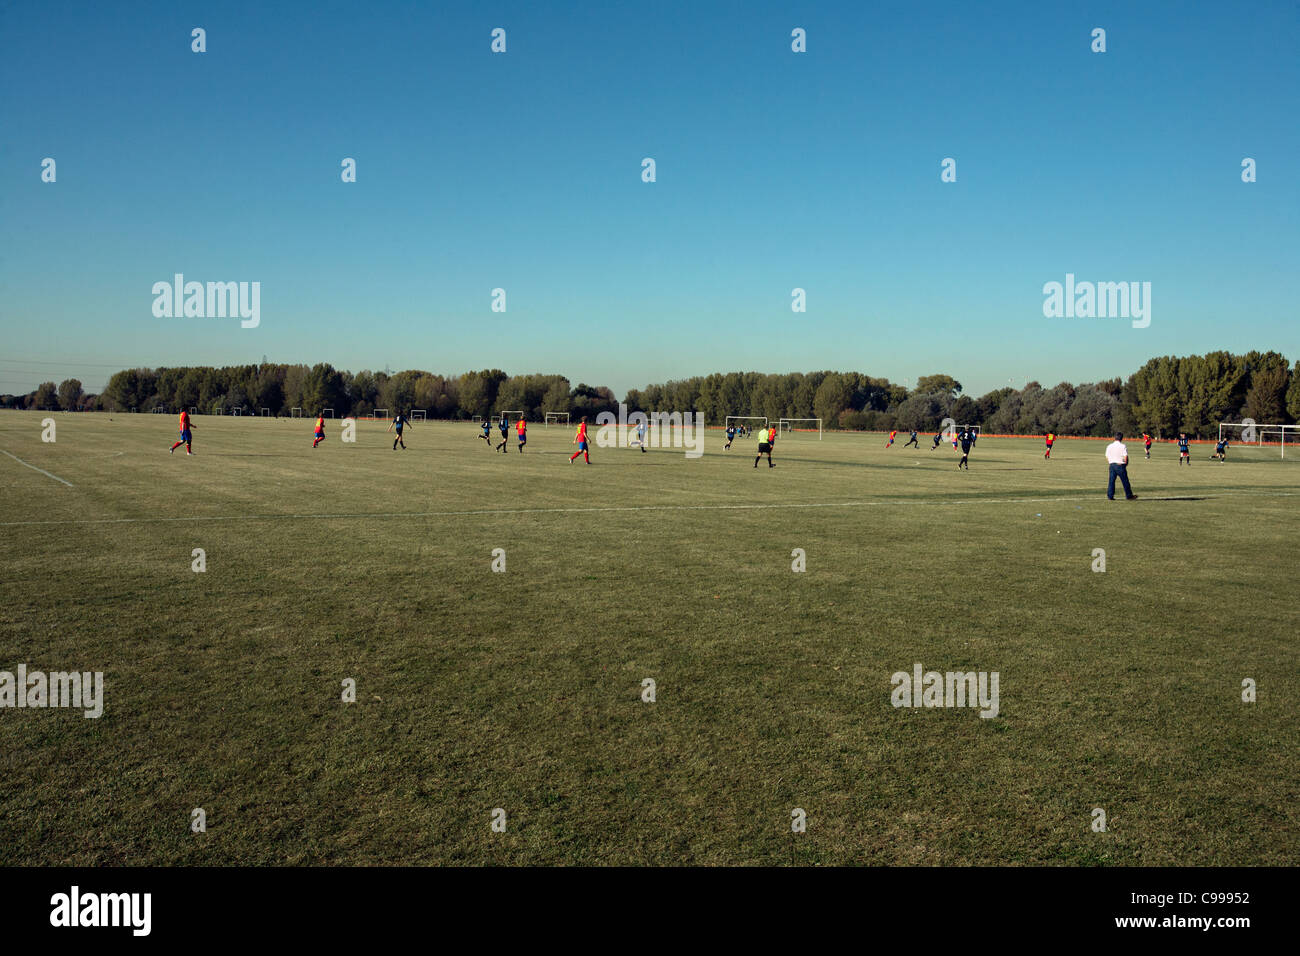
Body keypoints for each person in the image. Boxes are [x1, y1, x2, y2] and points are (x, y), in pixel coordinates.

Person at [1106, 433, 1138, 500]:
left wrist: (1110, 462)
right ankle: (1129, 496)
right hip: (1120, 465)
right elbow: (1125, 456)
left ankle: (1110, 496)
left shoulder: (1109, 446)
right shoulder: (1123, 446)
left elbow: (1107, 456)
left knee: (1111, 481)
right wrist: (1125, 464)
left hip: (1112, 465)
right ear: (1121, 438)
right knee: (1125, 481)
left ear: (1115, 438)